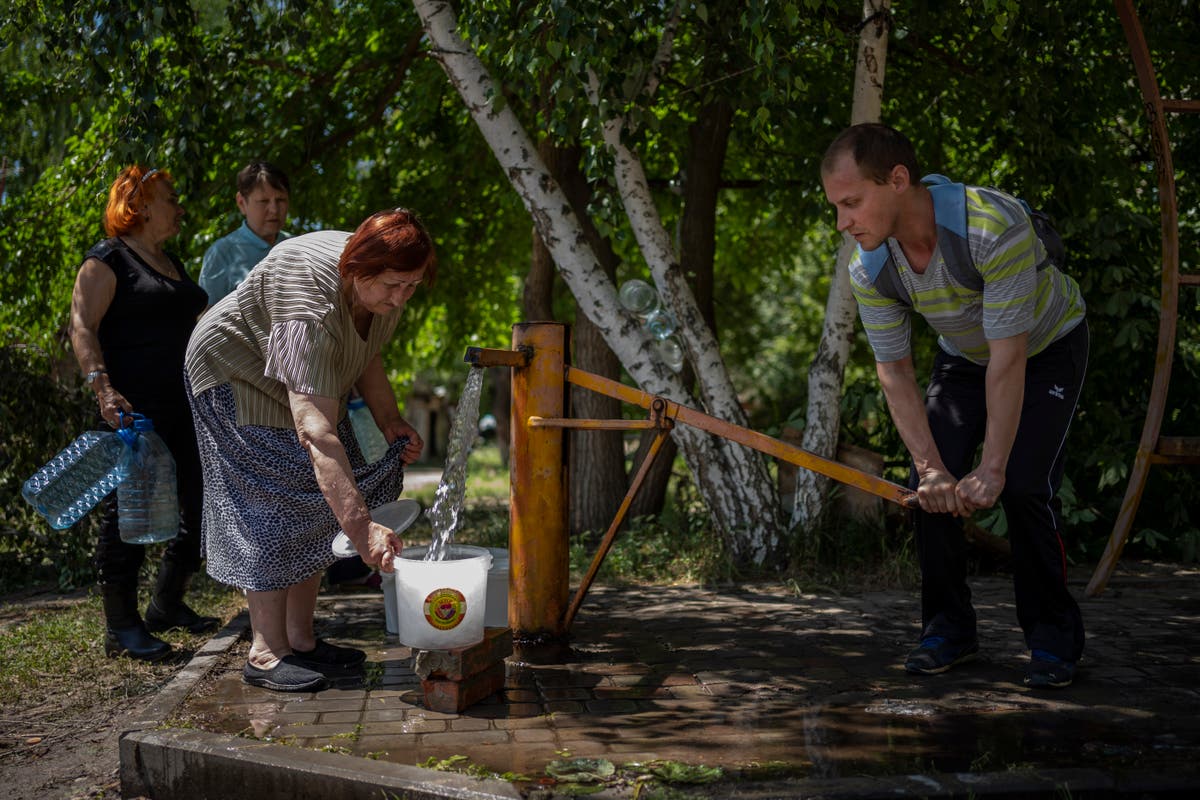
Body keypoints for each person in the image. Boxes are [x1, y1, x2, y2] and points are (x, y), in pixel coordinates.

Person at [820, 124, 1089, 689]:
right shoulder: (869, 267)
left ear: (898, 180)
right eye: (837, 207)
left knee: (1020, 483)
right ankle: (948, 630)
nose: (843, 223)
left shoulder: (991, 226)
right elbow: (894, 372)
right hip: (965, 357)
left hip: (1043, 349)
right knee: (930, 491)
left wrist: (990, 468)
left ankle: (1052, 638)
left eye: (851, 203)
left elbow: (1009, 358)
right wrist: (931, 468)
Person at [184, 208, 431, 692]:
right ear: (358, 269)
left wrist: (390, 419)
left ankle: (300, 639)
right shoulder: (309, 304)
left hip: (305, 388)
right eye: (393, 286)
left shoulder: (377, 289)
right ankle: (265, 652)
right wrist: (362, 532)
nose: (402, 297)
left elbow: (366, 351)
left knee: (321, 505)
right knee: (273, 504)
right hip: (234, 376)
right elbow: (316, 433)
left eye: (412, 286)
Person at [68, 165, 220, 662]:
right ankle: (122, 627)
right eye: (170, 197)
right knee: (126, 518)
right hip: (132, 415)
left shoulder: (170, 261)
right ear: (139, 203)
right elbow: (82, 328)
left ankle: (167, 603)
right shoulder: (107, 259)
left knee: (198, 509)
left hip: (185, 407)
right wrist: (102, 389)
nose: (179, 207)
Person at [198, 160, 291, 304]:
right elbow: (207, 320)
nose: (274, 209)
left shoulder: (297, 247)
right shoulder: (222, 254)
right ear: (241, 202)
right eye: (264, 201)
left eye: (280, 200)